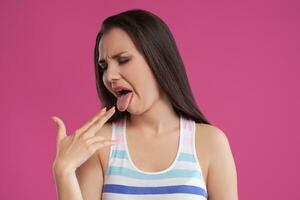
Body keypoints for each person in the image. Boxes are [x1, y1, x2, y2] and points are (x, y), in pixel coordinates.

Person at [52, 9, 238, 200]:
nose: (109, 76)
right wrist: (64, 171)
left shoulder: (211, 142)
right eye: (104, 67)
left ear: (158, 59)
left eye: (123, 60)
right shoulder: (99, 143)